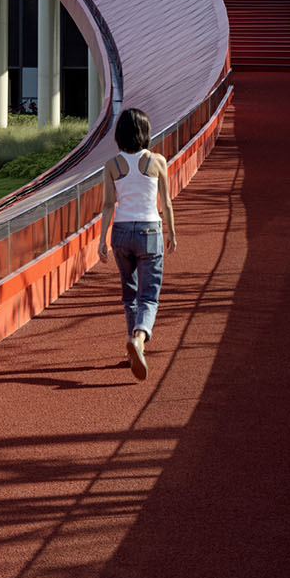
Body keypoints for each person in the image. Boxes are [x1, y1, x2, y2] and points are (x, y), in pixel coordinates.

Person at [97, 107, 176, 381]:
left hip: (120, 232)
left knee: (129, 295)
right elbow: (165, 203)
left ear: (119, 135)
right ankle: (140, 339)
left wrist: (101, 240)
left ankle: (133, 347)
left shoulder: (111, 165)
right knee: (149, 295)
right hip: (149, 231)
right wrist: (172, 233)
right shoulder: (157, 161)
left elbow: (108, 205)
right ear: (146, 131)